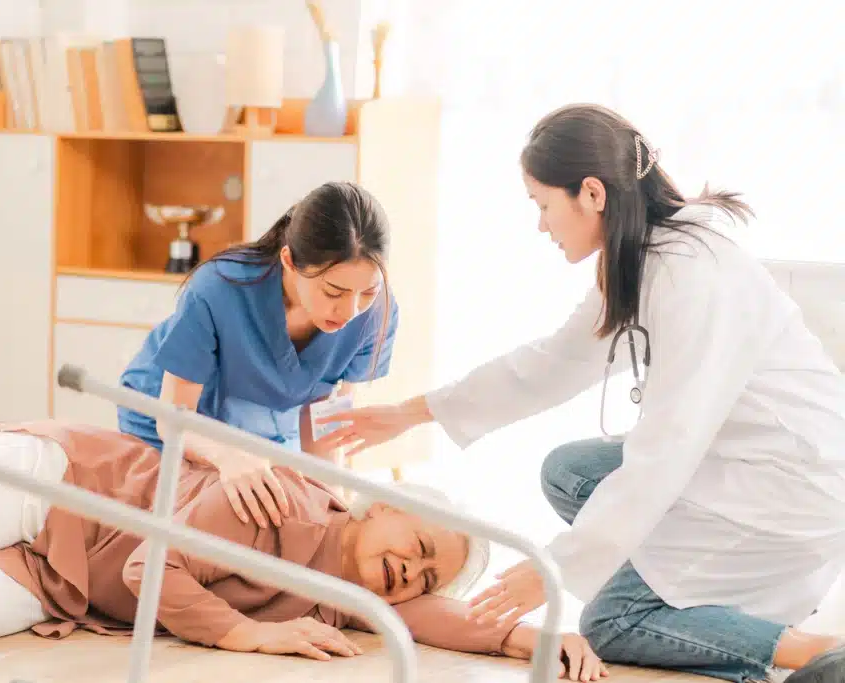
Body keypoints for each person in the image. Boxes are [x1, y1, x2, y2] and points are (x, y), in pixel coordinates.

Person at [317, 103, 845, 683]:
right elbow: (553, 364)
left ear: (591, 193)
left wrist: (550, 571)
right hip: (736, 463)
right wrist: (413, 413)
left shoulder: (693, 276)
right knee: (569, 472)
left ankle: (811, 651)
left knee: (614, 621)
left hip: (789, 486)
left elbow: (666, 451)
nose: (542, 224)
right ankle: (701, 596)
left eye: (543, 205)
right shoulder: (643, 255)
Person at [0, 422, 608, 681]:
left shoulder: (343, 584)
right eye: (419, 545)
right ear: (374, 508)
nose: (415, 568)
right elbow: (149, 565)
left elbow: (438, 614)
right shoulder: (273, 502)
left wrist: (537, 637)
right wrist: (248, 633)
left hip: (60, 576)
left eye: (427, 572)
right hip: (49, 482)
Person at [118, 180, 400, 531]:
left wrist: (332, 509)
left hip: (247, 425)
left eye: (368, 291)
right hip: (169, 417)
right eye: (333, 291)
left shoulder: (375, 315)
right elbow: (173, 418)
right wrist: (226, 455)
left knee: (296, 520)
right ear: (289, 262)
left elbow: (324, 424)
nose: (350, 310)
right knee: (198, 530)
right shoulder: (220, 289)